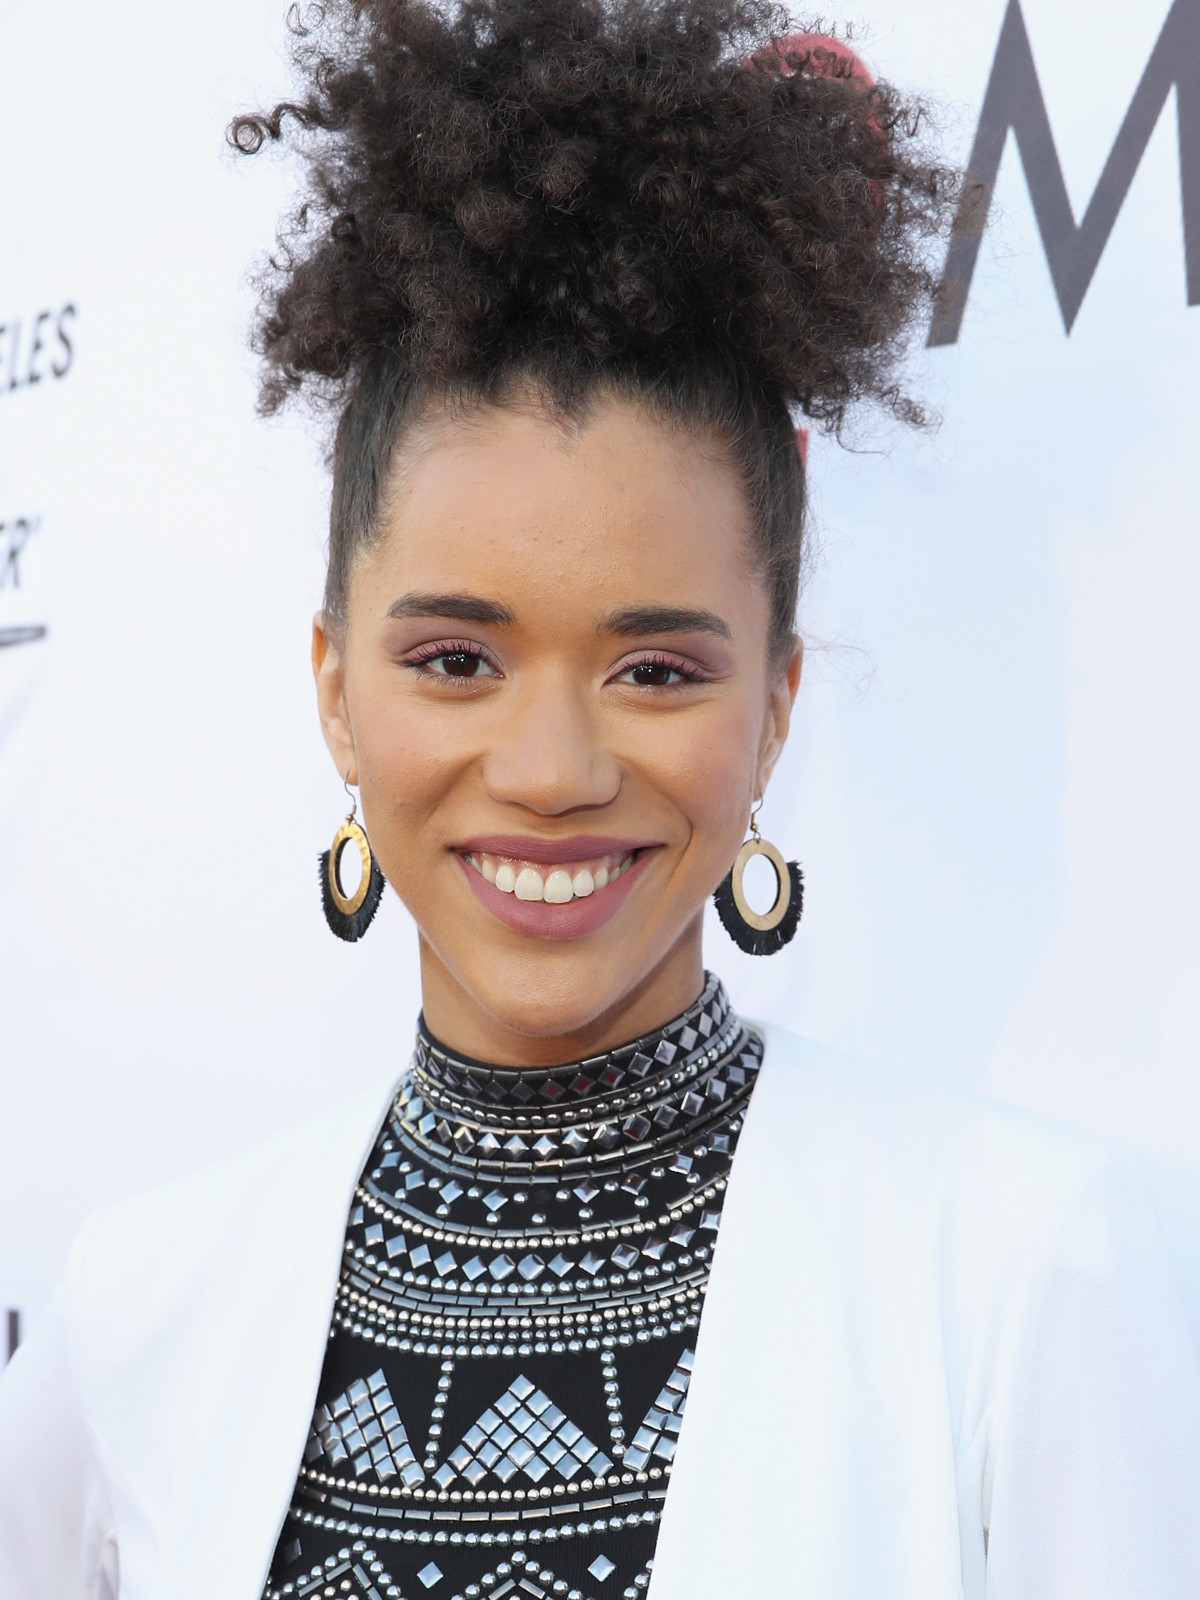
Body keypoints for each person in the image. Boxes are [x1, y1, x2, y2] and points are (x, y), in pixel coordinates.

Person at [3, 0, 1200, 1596]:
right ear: (334, 687)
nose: (553, 772)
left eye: (655, 671)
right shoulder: (139, 1314)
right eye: (454, 661)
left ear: (774, 707)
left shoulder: (1032, 1271)